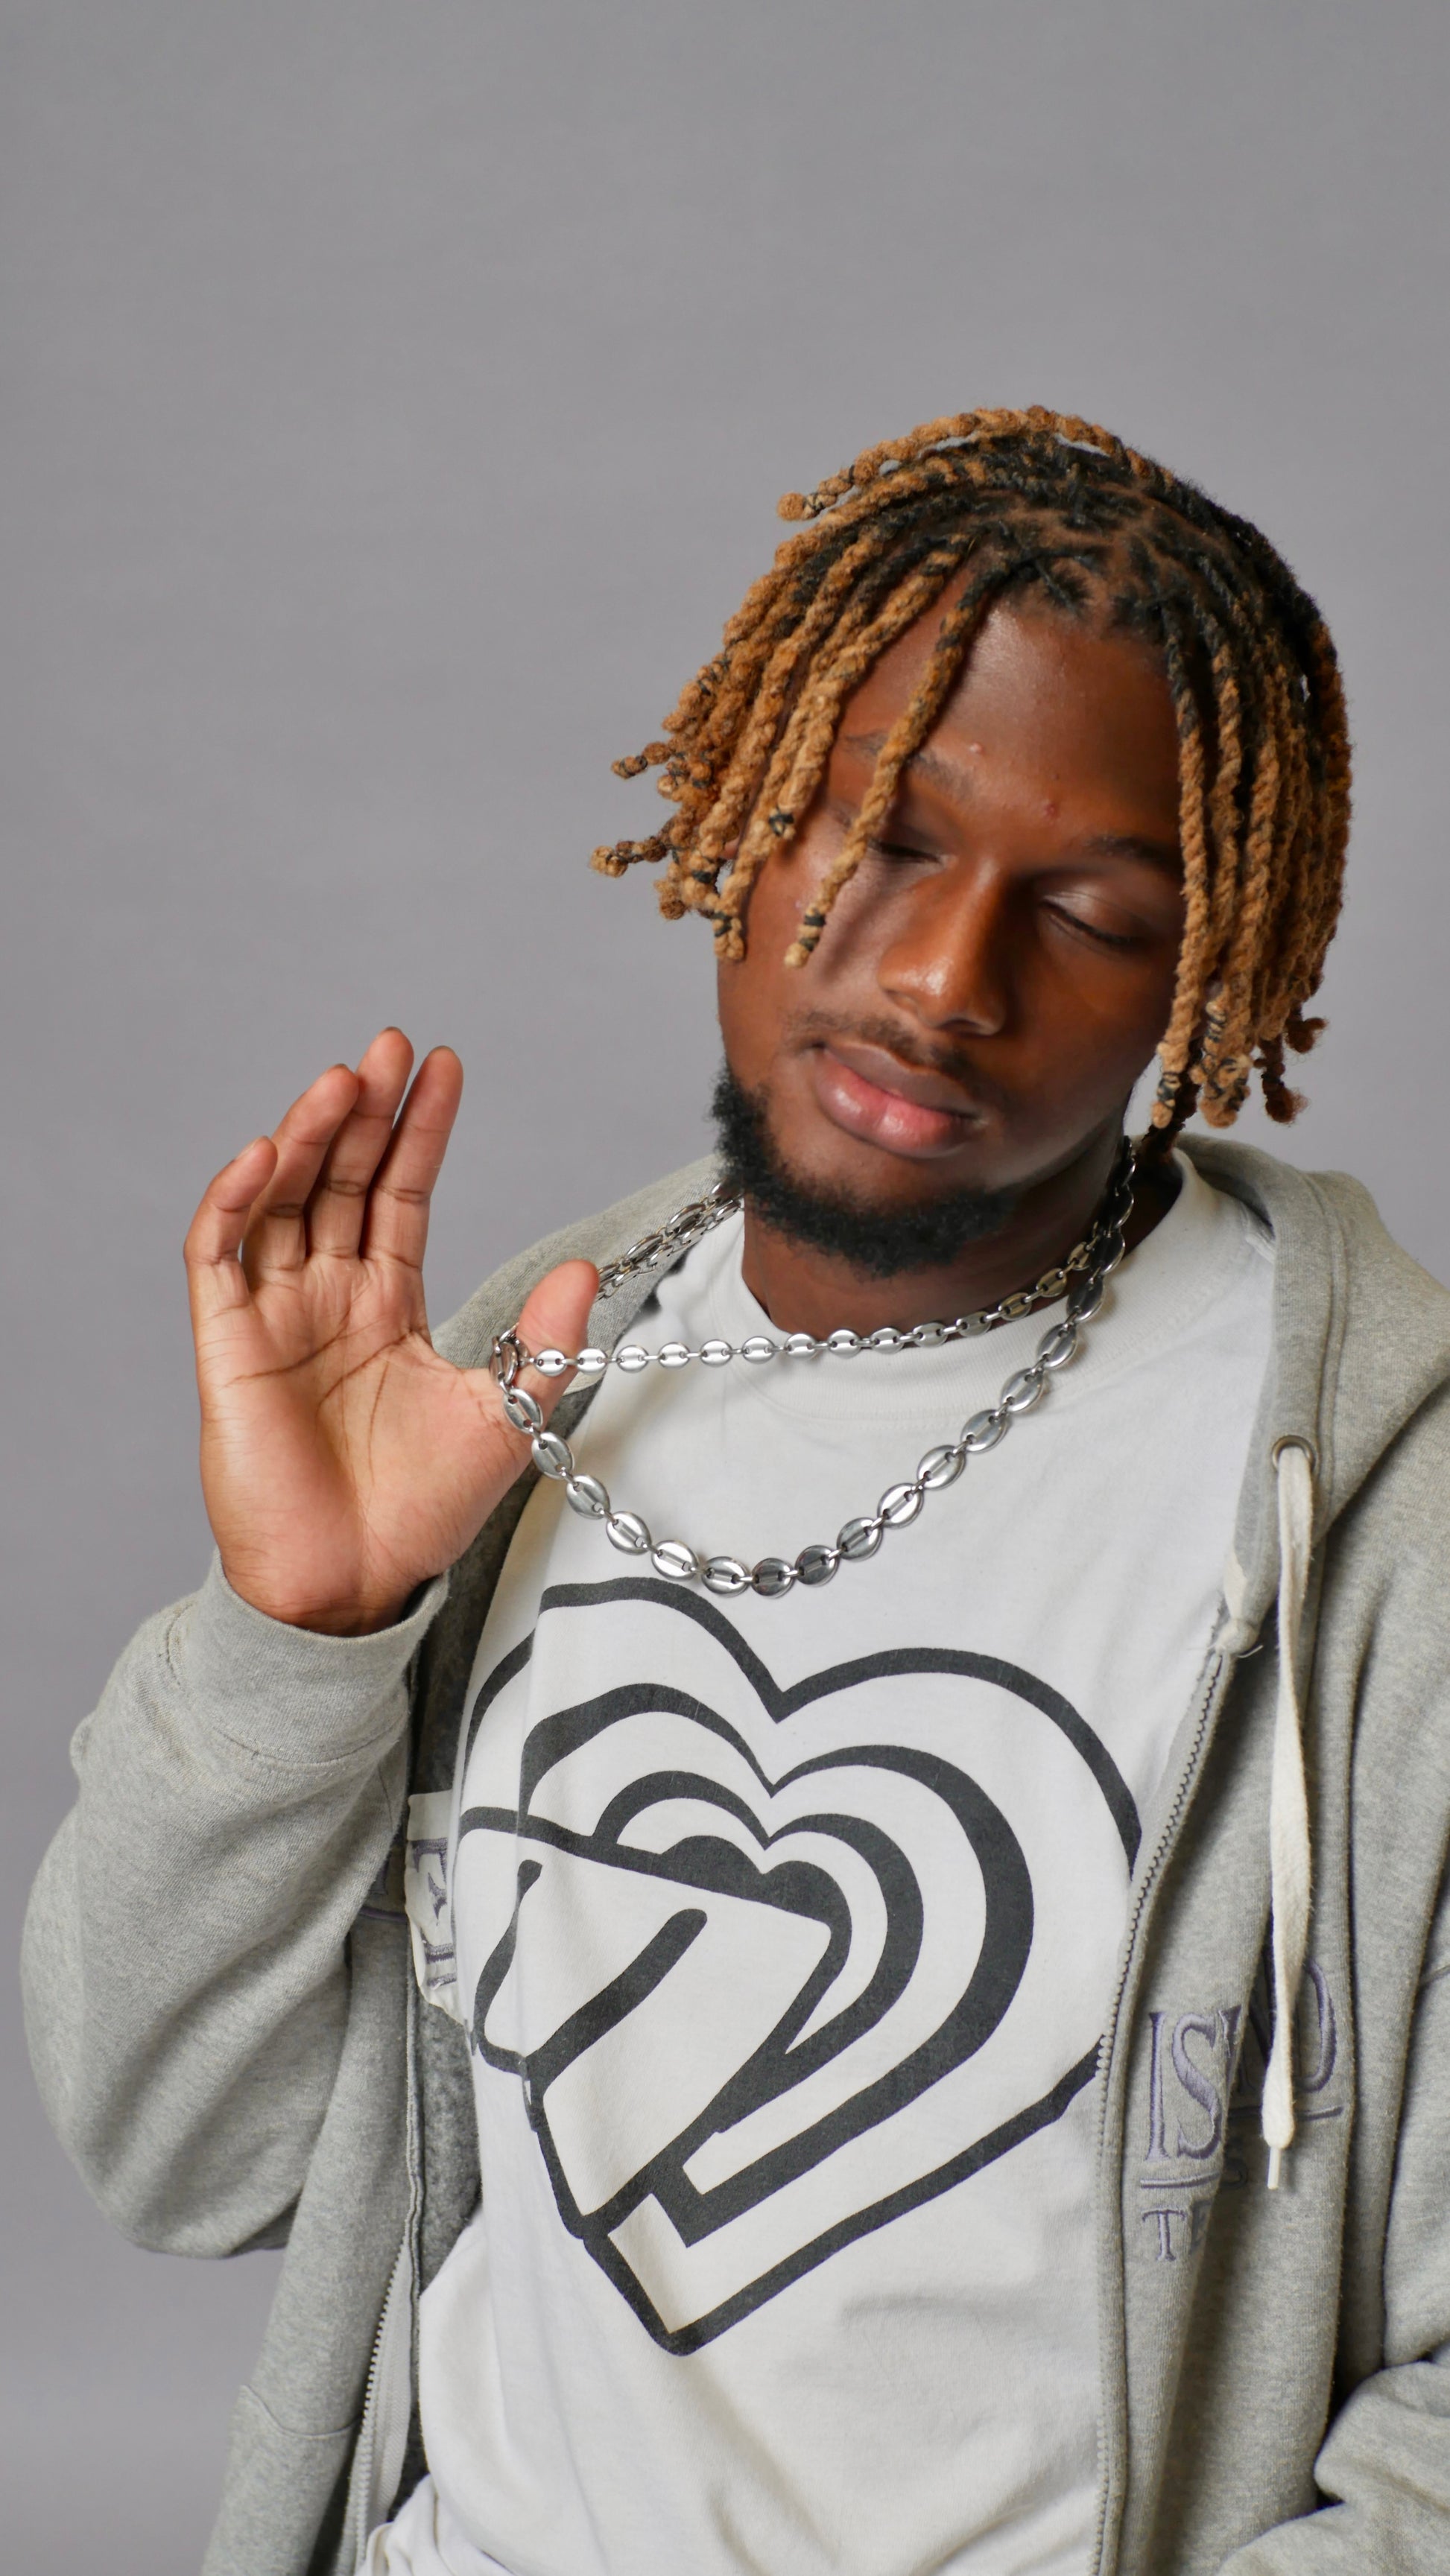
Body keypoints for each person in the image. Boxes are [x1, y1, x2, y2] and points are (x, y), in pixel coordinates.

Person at [22, 407, 1450, 2576]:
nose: (942, 979)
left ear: (1211, 965)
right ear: (742, 804)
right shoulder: (526, 1387)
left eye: (1082, 912)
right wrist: (293, 1634)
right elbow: (174, 2154)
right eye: (880, 831)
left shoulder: (1382, 1535)